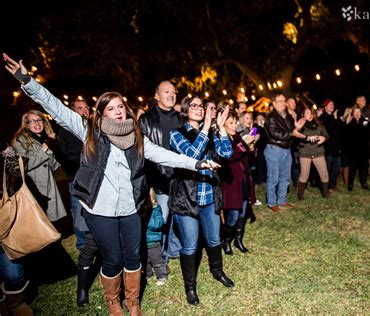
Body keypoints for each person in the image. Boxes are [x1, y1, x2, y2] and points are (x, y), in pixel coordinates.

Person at [4, 53, 217, 316]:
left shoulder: (137, 135)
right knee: (112, 258)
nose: (117, 112)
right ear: (102, 112)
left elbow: (165, 155)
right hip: (100, 209)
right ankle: (113, 302)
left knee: (132, 257)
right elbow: (56, 107)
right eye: (111, 108)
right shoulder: (89, 131)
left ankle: (133, 302)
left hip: (129, 208)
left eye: (120, 107)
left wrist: (196, 164)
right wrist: (27, 80)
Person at [169, 96, 234, 305]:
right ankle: (190, 287)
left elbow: (227, 153)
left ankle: (217, 272)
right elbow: (193, 156)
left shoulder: (210, 131)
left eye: (201, 106)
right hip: (186, 199)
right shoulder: (176, 134)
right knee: (190, 246)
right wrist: (206, 127)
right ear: (186, 110)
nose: (199, 109)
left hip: (209, 195)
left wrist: (221, 128)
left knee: (214, 239)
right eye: (194, 106)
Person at [139, 80, 182, 275]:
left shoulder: (181, 118)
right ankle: (158, 258)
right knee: (160, 220)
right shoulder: (146, 119)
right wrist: (149, 184)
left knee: (178, 217)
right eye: (167, 92)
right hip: (159, 179)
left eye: (173, 92)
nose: (171, 95)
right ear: (157, 96)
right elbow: (143, 155)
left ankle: (174, 251)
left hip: (181, 178)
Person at [11, 110, 67, 223]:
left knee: (49, 222)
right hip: (33, 187)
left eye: (39, 120)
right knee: (36, 223)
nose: (37, 124)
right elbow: (25, 165)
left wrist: (51, 146)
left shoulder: (45, 139)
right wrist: (44, 149)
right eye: (32, 121)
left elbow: (54, 166)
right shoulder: (20, 141)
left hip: (48, 185)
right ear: (26, 124)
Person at [0, 140, 33, 316]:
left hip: (3, 215)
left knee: (14, 273)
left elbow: (18, 171)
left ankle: (15, 302)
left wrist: (7, 151)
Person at [220, 111, 256, 255]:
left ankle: (238, 240)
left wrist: (251, 149)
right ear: (223, 125)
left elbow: (246, 157)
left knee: (242, 214)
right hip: (231, 183)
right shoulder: (221, 139)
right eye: (231, 123)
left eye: (235, 122)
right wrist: (244, 145)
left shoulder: (238, 137)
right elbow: (231, 156)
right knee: (233, 215)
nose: (235, 126)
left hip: (244, 181)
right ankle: (226, 241)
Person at [57, 99, 90, 249]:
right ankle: (82, 243)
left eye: (86, 108)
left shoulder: (92, 127)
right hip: (76, 178)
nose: (84, 111)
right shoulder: (66, 131)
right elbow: (63, 156)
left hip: (93, 177)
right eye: (80, 108)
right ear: (73, 111)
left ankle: (94, 239)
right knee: (78, 210)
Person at [264, 93, 305, 212]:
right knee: (273, 177)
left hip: (286, 149)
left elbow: (292, 130)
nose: (283, 103)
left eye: (284, 100)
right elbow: (275, 133)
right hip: (274, 150)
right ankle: (271, 202)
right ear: (274, 103)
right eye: (280, 101)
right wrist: (292, 133)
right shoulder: (271, 117)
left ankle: (282, 200)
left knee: (286, 177)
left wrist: (296, 127)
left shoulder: (287, 116)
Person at [296, 107, 330, 200]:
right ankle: (300, 195)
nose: (309, 115)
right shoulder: (300, 126)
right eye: (307, 113)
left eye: (311, 113)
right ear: (303, 115)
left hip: (318, 152)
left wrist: (324, 138)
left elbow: (326, 135)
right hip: (305, 153)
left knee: (324, 174)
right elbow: (296, 135)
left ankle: (325, 193)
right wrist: (306, 136)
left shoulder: (319, 124)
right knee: (304, 175)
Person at [320, 99, 343, 192]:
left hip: (336, 147)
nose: (332, 106)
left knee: (336, 168)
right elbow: (328, 129)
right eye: (330, 104)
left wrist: (336, 118)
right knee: (327, 169)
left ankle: (332, 185)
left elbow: (339, 130)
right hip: (327, 148)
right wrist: (334, 118)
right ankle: (325, 187)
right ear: (325, 107)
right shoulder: (323, 117)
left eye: (333, 104)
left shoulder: (335, 117)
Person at [145, 190, 167, 286]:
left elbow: (158, 224)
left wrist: (147, 219)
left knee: (157, 260)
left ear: (153, 201)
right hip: (144, 242)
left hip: (153, 242)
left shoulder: (156, 210)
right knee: (146, 261)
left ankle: (162, 275)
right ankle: (148, 274)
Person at [346, 108, 370, 191]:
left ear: (361, 113)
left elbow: (369, 133)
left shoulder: (365, 122)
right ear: (353, 114)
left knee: (363, 168)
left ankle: (364, 183)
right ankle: (350, 185)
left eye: (358, 112)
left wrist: (367, 125)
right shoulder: (350, 123)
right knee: (352, 169)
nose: (357, 113)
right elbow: (347, 136)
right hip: (353, 151)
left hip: (363, 150)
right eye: (355, 112)